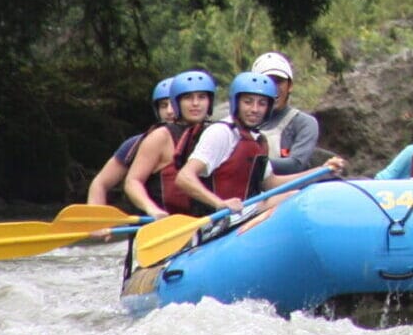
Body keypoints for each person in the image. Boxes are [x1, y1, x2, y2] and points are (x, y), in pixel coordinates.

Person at [166, 71, 342, 218]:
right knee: (291, 197)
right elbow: (184, 178)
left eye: (262, 103)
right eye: (248, 102)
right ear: (236, 103)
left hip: (244, 214)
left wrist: (320, 171)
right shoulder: (221, 133)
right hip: (217, 221)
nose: (255, 109)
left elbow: (271, 183)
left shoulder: (257, 139)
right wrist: (219, 203)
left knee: (297, 196)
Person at [123, 70, 221, 218]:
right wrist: (151, 209)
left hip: (205, 224)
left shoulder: (217, 133)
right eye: (188, 98)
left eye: (202, 97)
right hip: (165, 226)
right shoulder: (160, 137)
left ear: (210, 101)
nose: (195, 103)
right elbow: (133, 181)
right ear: (177, 103)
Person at [88, 76, 178, 207]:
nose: (169, 111)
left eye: (174, 105)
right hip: (151, 221)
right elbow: (100, 184)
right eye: (164, 106)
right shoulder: (136, 144)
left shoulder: (207, 138)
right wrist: (96, 223)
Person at [248, 52, 326, 175]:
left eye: (279, 81)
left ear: (290, 86)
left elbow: (295, 165)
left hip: (291, 192)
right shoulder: (240, 123)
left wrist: (249, 162)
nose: (273, 87)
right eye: (267, 81)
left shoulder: (304, 123)